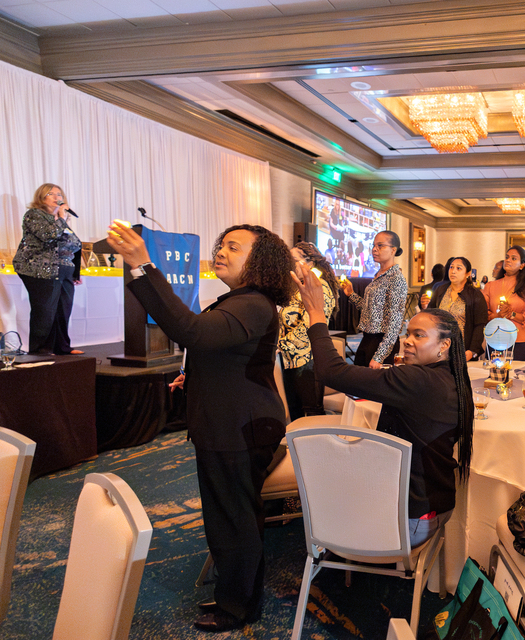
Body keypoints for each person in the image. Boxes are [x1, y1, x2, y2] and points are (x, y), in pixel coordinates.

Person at [106, 221, 292, 632]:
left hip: (240, 428)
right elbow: (223, 352)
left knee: (234, 521)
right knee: (227, 517)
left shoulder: (252, 303)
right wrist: (194, 376)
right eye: (221, 244)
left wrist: (143, 267)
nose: (221, 251)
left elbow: (191, 331)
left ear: (260, 260)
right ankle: (235, 595)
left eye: (234, 247)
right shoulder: (241, 301)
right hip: (231, 422)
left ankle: (239, 606)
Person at [297, 264, 474, 547]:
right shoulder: (450, 377)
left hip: (410, 521)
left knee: (323, 494)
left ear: (444, 345)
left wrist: (316, 314)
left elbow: (331, 372)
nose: (407, 342)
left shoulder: (417, 381)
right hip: (432, 506)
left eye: (419, 335)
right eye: (408, 333)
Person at [13, 184, 83, 355]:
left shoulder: (60, 221)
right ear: (41, 197)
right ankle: (40, 350)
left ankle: (62, 347)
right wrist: (61, 218)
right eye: (52, 194)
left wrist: (75, 273)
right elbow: (47, 235)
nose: (57, 197)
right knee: (45, 311)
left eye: (60, 194)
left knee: (63, 310)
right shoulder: (34, 215)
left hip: (64, 271)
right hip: (39, 268)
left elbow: (76, 245)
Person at [279, 242, 338, 420]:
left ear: (309, 263)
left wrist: (280, 345)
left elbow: (309, 326)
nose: (289, 264)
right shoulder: (295, 288)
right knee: (294, 413)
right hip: (289, 359)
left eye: (293, 259)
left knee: (313, 414)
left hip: (309, 360)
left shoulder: (320, 287)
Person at [341, 231, 407, 368]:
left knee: (372, 381)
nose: (374, 249)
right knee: (359, 379)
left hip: (382, 342)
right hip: (368, 338)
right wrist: (351, 294)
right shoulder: (379, 275)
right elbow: (370, 310)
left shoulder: (396, 278)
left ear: (393, 250)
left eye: (380, 246)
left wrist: (379, 356)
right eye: (374, 245)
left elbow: (394, 324)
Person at [482, 246, 525, 360]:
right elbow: (482, 316)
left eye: (513, 258)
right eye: (507, 257)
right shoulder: (491, 286)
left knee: (518, 371)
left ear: (522, 265)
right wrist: (498, 315)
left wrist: (512, 314)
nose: (508, 260)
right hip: (495, 338)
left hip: (519, 340)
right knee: (494, 371)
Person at [427, 257, 487, 361]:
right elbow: (430, 315)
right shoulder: (441, 290)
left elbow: (479, 325)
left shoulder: (475, 295)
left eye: (459, 268)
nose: (453, 271)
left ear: (468, 273)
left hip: (462, 349)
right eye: (451, 267)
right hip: (439, 347)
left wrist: (472, 351)